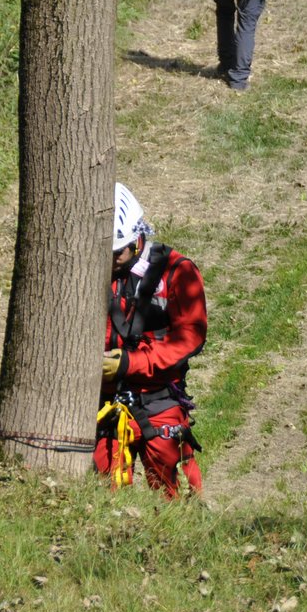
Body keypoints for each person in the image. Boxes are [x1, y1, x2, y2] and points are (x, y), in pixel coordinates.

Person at [94, 183, 207, 498]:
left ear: (137, 237)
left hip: (160, 401)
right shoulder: (89, 273)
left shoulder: (176, 271)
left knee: (179, 497)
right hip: (105, 406)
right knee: (105, 499)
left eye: (117, 253)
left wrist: (131, 362)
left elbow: (190, 336)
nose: (111, 260)